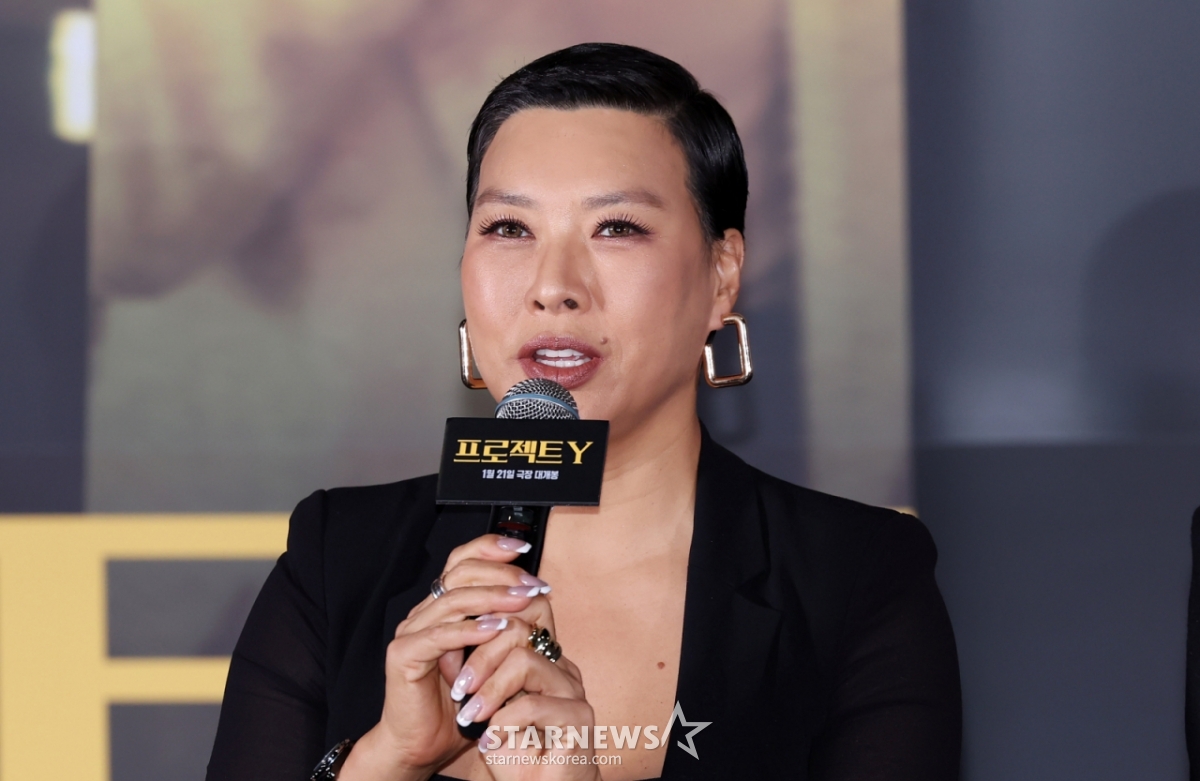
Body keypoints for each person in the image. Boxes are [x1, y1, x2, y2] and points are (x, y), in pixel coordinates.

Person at [206, 43, 961, 781]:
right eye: (509, 228)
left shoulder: (859, 577)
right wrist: (386, 761)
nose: (553, 287)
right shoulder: (337, 557)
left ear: (722, 273)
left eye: (616, 228)